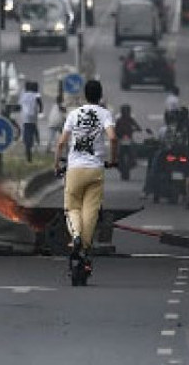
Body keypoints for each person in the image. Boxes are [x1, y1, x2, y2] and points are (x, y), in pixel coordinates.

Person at [54, 80, 117, 280]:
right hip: (96, 170)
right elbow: (113, 138)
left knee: (72, 208)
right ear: (100, 96)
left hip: (74, 169)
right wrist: (112, 160)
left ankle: (76, 238)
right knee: (91, 211)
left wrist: (57, 164)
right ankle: (86, 246)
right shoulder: (105, 114)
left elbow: (62, 142)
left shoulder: (74, 114)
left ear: (84, 95)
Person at [114, 104, 141, 180]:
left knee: (133, 151)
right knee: (118, 153)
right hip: (122, 139)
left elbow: (137, 127)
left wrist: (137, 129)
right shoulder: (122, 120)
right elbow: (116, 130)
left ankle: (132, 161)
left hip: (127, 139)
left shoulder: (128, 119)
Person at [18, 81, 43, 163]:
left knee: (27, 130)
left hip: (25, 117)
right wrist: (40, 111)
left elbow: (19, 104)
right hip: (33, 116)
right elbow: (40, 103)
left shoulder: (23, 95)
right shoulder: (36, 94)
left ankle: (28, 145)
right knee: (32, 130)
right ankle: (32, 143)